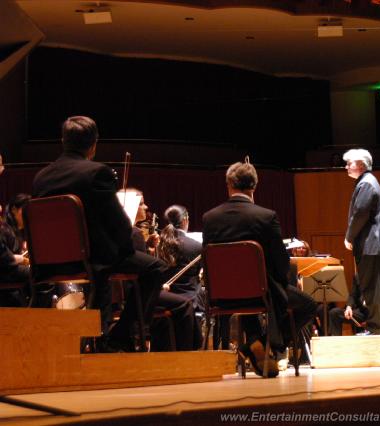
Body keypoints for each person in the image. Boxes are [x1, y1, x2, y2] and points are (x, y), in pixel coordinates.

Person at [32, 116, 166, 352]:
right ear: (94, 144)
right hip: (92, 258)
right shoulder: (96, 173)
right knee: (155, 268)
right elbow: (119, 224)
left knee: (106, 267)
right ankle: (121, 336)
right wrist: (125, 249)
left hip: (47, 262)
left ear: (63, 141)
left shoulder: (41, 178)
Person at [202, 159, 317, 377]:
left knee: (253, 293)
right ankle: (265, 344)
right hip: (260, 294)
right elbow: (282, 264)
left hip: (221, 296)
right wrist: (281, 284)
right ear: (254, 186)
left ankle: (256, 343)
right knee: (308, 304)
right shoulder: (265, 216)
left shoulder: (209, 218)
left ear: (228, 185)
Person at [121, 189, 202, 351]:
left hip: (138, 291)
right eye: (142, 203)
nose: (146, 207)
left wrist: (148, 248)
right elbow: (141, 273)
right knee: (185, 305)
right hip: (138, 294)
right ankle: (186, 355)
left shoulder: (132, 234)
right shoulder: (134, 233)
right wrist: (156, 287)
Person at [343, 148, 380, 334]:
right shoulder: (369, 181)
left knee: (370, 288)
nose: (346, 166)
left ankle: (375, 328)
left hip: (369, 244)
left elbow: (360, 214)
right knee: (376, 288)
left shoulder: (366, 184)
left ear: (362, 165)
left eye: (350, 163)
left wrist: (349, 236)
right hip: (374, 244)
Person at [0, 194, 31, 307]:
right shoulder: (4, 228)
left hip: (10, 269)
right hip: (5, 271)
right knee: (40, 273)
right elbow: (4, 259)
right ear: (14, 209)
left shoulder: (20, 231)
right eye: (26, 210)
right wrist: (21, 258)